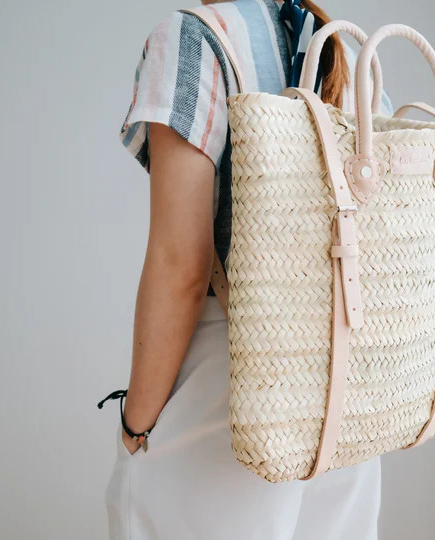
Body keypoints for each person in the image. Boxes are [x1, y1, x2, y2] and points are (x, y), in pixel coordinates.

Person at [103, 1, 393, 538]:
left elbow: (182, 266)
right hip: (345, 390)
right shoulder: (342, 49)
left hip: (228, 387)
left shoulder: (195, 38)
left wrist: (135, 423)